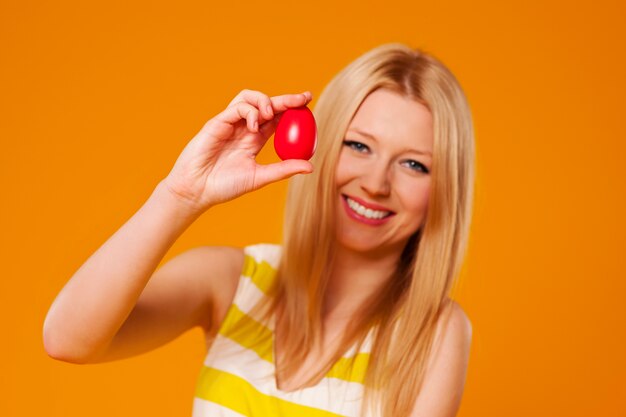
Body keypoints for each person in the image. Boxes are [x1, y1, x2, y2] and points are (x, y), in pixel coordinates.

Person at [43, 43, 475, 417]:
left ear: (444, 189)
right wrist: (180, 196)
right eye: (358, 145)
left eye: (414, 165)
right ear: (319, 145)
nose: (377, 183)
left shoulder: (434, 334)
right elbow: (67, 340)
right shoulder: (231, 281)